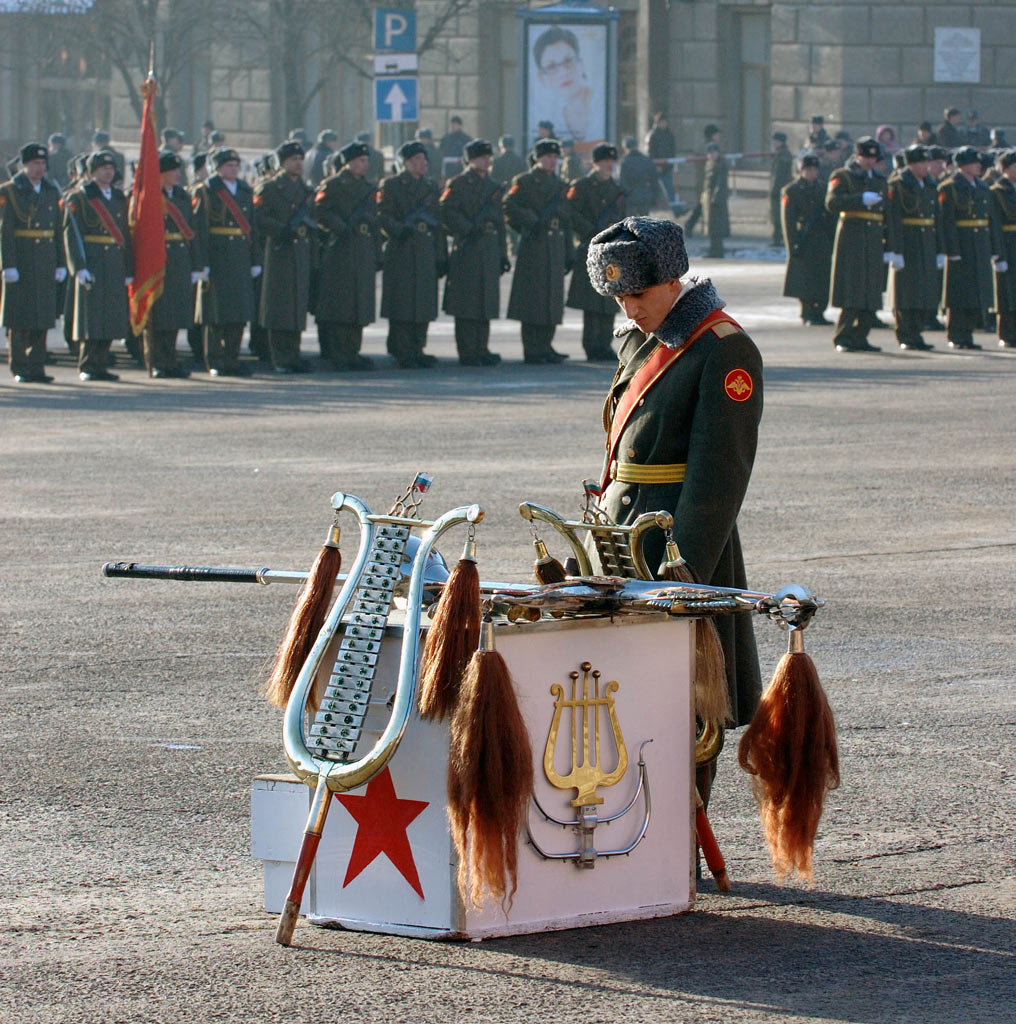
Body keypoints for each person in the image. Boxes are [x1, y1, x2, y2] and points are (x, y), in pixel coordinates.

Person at [585, 215, 763, 804]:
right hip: (622, 538)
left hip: (675, 549)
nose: (629, 307)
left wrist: (682, 576)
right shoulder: (641, 338)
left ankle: (680, 832)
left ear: (672, 281)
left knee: (685, 704)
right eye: (619, 296)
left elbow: (719, 479)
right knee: (617, 695)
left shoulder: (724, 348)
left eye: (638, 294)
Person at [439, 138, 508, 366]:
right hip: (468, 248)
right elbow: (446, 212)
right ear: (470, 160)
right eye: (481, 157)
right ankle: (467, 351)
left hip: (488, 248)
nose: (486, 161)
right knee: (466, 302)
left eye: (488, 157)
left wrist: (502, 253)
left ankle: (481, 347)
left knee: (485, 301)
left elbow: (499, 223)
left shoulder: (493, 186)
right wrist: (466, 227)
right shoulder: (458, 184)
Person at [63, 149, 132, 380]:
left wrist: (129, 268)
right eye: (103, 168)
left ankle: (101, 363)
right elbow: (71, 235)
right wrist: (78, 267)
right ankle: (88, 364)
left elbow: (125, 235)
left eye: (111, 168)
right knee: (91, 318)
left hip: (114, 262)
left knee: (111, 316)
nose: (108, 172)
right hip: (92, 261)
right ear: (92, 172)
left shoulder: (119, 198)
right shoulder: (80, 197)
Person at [377, 139, 446, 368]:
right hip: (402, 250)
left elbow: (438, 223)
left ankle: (418, 348)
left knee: (423, 302)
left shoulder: (430, 187)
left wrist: (440, 256)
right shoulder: (392, 185)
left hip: (425, 251)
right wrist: (399, 229)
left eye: (424, 159)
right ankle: (402, 349)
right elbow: (383, 216)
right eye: (416, 159)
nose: (422, 163)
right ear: (405, 163)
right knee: (403, 302)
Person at [192, 147, 260, 376]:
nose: (233, 169)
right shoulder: (206, 191)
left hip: (240, 256)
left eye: (236, 165)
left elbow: (252, 227)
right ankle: (215, 360)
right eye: (228, 166)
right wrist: (202, 263)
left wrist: (255, 259)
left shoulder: (244, 190)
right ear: (217, 168)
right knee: (216, 314)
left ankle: (232, 358)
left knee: (238, 313)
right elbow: (200, 229)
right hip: (217, 257)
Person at [504, 137, 572, 364]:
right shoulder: (524, 181)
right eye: (547, 157)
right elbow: (509, 205)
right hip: (534, 245)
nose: (552, 161)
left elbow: (567, 220)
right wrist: (530, 222)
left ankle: (546, 345)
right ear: (537, 158)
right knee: (533, 298)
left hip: (555, 246)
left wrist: (569, 253)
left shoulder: (561, 185)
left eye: (555, 157)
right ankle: (532, 348)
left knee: (552, 298)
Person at [0, 142, 65, 382]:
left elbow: (57, 230)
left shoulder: (50, 190)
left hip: (45, 259)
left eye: (43, 163)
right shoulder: (9, 191)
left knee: (42, 316)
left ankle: (37, 366)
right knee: (20, 317)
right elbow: (4, 231)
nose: (40, 168)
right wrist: (8, 264)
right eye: (35, 163)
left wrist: (60, 262)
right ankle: (20, 366)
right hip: (22, 259)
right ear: (24, 165)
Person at [313, 140, 379, 371]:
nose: (365, 164)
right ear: (348, 163)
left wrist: (377, 251)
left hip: (363, 248)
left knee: (359, 303)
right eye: (360, 160)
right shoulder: (333, 185)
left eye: (366, 160)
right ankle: (338, 352)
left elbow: (375, 220)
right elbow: (319, 210)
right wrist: (339, 226)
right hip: (341, 248)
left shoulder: (369, 187)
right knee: (340, 303)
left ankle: (352, 351)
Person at [253, 139, 315, 373]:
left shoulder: (306, 190)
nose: (298, 164)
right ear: (282, 163)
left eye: (300, 159)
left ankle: (293, 354)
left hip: (300, 251)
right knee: (279, 306)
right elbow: (258, 218)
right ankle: (279, 357)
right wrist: (281, 230)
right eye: (293, 160)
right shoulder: (270, 188)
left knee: (296, 305)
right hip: (279, 251)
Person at [825, 136, 888, 353]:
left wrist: (889, 244)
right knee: (852, 290)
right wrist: (859, 199)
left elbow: (887, 212)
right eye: (866, 157)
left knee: (870, 291)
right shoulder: (843, 176)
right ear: (857, 156)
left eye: (873, 158)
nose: (870, 161)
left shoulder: (879, 178)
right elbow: (832, 202)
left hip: (873, 239)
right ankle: (843, 336)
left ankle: (861, 336)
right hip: (852, 239)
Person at [142, 151, 202, 378]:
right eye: (172, 171)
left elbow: (192, 231)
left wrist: (196, 265)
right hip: (157, 259)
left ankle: (170, 360)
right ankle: (156, 360)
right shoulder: (148, 196)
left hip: (180, 259)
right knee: (158, 313)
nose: (177, 175)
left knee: (175, 312)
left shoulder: (182, 196)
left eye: (178, 171)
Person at [565, 141, 625, 361]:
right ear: (595, 163)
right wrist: (589, 230)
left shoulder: (617, 190)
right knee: (591, 300)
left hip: (611, 251)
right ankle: (592, 345)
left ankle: (605, 344)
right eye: (605, 161)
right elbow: (570, 213)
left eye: (612, 161)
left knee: (610, 299)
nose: (609, 165)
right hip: (590, 248)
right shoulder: (582, 186)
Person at [938, 146, 1002, 351]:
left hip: (980, 245)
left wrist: (994, 248)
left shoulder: (982, 187)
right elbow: (947, 221)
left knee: (977, 291)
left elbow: (991, 219)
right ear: (963, 165)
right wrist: (952, 250)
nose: (979, 166)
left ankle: (968, 333)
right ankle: (957, 334)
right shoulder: (949, 188)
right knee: (959, 292)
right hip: (962, 245)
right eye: (974, 163)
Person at [884, 145, 939, 351]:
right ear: (912, 164)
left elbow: (937, 217)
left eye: (927, 162)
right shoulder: (898, 185)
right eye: (922, 163)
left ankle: (917, 333)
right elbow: (893, 219)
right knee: (906, 293)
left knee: (923, 291)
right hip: (908, 243)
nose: (926, 166)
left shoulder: (929, 184)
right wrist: (895, 249)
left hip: (926, 243)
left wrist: (940, 249)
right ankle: (906, 334)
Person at [781, 153, 834, 325]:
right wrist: (792, 245)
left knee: (822, 275)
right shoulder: (791, 190)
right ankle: (807, 311)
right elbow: (788, 221)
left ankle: (819, 311)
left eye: (814, 169)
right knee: (805, 278)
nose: (812, 173)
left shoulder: (824, 188)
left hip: (821, 238)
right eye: (808, 169)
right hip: (804, 239)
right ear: (801, 170)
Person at [532, 25, 593, 142]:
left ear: (581, 63)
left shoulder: (600, 104)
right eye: (551, 66)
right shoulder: (552, 118)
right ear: (541, 78)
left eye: (568, 61)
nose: (563, 72)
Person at [990, 150, 1016, 349]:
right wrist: (997, 254)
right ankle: (1007, 333)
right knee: (1007, 291)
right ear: (1005, 169)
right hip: (1007, 244)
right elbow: (995, 224)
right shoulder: (996, 191)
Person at [684, 124, 721, 235]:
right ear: (712, 135)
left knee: (703, 205)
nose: (719, 136)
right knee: (702, 205)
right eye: (717, 134)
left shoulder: (708, 146)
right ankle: (690, 224)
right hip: (705, 180)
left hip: (706, 179)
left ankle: (692, 225)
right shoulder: (709, 147)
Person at [702, 142, 730, 259]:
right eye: (710, 153)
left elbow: (720, 183)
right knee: (712, 226)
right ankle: (714, 249)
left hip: (716, 200)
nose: (712, 155)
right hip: (709, 198)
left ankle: (717, 250)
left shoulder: (720, 165)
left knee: (717, 226)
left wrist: (715, 197)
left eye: (714, 152)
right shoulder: (710, 164)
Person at [619, 136, 657, 216]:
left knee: (631, 221)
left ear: (625, 148)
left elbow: (622, 181)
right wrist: (653, 195)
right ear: (637, 146)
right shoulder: (646, 160)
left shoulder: (625, 161)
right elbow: (654, 179)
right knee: (645, 220)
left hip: (630, 196)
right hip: (645, 194)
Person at [645, 112, 676, 205]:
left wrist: (671, 164)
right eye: (661, 122)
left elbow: (672, 150)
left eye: (665, 122)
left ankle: (675, 208)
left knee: (670, 189)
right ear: (657, 123)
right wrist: (656, 164)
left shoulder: (669, 135)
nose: (663, 124)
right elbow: (650, 152)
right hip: (655, 167)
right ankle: (653, 207)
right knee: (654, 188)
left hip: (667, 167)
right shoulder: (653, 135)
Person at [769, 132, 794, 246]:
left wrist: (775, 189)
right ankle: (777, 238)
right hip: (778, 188)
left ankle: (779, 239)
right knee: (776, 214)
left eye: (776, 141)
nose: (774, 143)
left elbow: (780, 175)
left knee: (778, 215)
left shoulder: (783, 156)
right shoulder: (780, 154)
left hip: (780, 188)